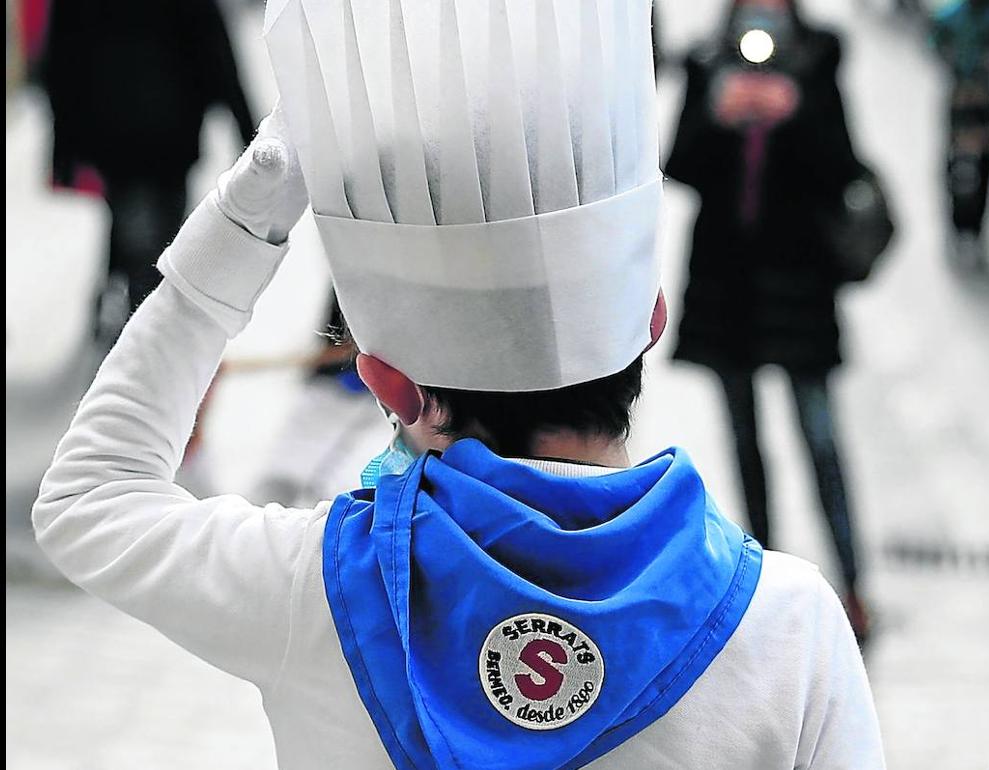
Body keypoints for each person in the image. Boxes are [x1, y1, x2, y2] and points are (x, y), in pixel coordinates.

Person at [32, 1, 886, 768]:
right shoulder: (790, 628)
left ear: (385, 386)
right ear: (653, 318)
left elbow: (91, 499)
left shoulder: (310, 593)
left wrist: (251, 209)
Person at [665, 0, 873, 640]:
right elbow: (679, 164)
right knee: (744, 441)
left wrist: (794, 112)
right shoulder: (708, 62)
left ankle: (853, 582)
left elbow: (844, 166)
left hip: (799, 278)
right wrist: (719, 118)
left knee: (820, 436)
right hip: (728, 282)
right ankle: (764, 582)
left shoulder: (817, 61)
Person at [41, 0, 254, 343]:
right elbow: (213, 46)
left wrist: (62, 143)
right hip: (171, 128)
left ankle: (128, 300)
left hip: (111, 128)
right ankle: (146, 326)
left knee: (130, 217)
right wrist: (245, 127)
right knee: (161, 233)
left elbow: (63, 57)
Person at [929, 0, 989, 272]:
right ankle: (959, 223)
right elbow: (935, 45)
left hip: (981, 98)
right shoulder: (952, 16)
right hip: (962, 96)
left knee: (983, 163)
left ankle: (975, 227)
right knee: (957, 164)